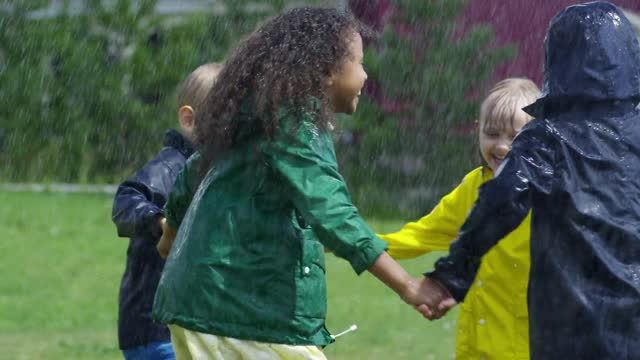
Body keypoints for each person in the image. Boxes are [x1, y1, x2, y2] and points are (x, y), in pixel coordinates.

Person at [152, 7, 445, 360]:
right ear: (326, 72)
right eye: (359, 63)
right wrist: (408, 285)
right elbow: (333, 214)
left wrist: (170, 235)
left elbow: (193, 172)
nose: (366, 76)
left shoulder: (258, 118)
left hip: (201, 302)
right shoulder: (294, 125)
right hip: (239, 314)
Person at [420, 2, 640, 359]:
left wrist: (452, 276)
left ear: (558, 61)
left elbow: (502, 200)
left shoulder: (548, 137)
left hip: (568, 328)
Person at [379, 78, 540, 359]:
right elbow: (419, 235)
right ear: (477, 132)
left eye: (515, 137)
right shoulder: (472, 188)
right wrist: (348, 240)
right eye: (492, 134)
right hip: (474, 347)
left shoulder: (547, 199)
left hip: (525, 348)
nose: (502, 146)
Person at [111, 63, 222, 360]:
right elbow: (126, 202)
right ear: (189, 120)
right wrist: (161, 222)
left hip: (191, 325)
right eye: (224, 121)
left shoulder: (220, 174)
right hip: (155, 329)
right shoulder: (169, 168)